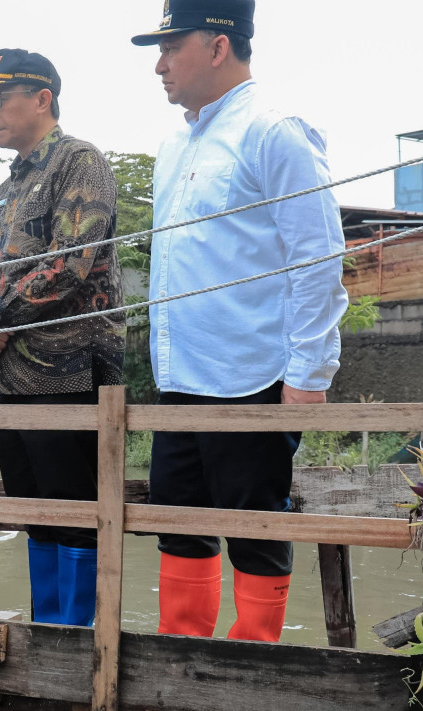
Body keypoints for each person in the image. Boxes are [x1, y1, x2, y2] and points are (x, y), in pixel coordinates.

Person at [131, 0, 347, 642]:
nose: (161, 66)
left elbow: (317, 256)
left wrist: (309, 374)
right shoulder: (175, 143)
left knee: (255, 528)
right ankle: (183, 661)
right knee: (178, 523)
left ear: (218, 45)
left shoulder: (275, 130)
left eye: (172, 48)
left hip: (251, 373)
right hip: (180, 375)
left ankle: (255, 664)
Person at [0, 49, 124, 626]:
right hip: (13, 377)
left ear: (42, 99)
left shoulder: (81, 163)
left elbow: (70, 265)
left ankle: (79, 644)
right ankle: (48, 634)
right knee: (34, 510)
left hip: (71, 373)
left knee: (76, 512)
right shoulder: (8, 185)